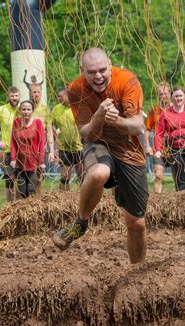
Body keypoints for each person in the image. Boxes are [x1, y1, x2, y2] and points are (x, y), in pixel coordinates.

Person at [53, 48, 147, 264]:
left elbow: (137, 126)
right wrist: (98, 117)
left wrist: (117, 121)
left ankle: (137, 271)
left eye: (103, 70)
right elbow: (85, 133)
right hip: (98, 143)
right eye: (92, 72)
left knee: (136, 223)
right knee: (98, 173)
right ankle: (80, 223)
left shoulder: (127, 81)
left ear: (110, 65)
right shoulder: (76, 89)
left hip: (128, 150)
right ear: (82, 70)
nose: (98, 77)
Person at [155, 86, 185, 191]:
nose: (178, 99)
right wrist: (158, 150)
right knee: (179, 175)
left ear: (184, 96)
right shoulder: (166, 113)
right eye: (176, 96)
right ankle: (180, 198)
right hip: (176, 148)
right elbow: (159, 133)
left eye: (180, 96)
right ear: (172, 98)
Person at [10, 100, 46, 198]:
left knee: (31, 190)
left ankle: (33, 212)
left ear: (32, 110)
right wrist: (13, 159)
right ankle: (23, 212)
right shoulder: (16, 122)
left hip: (34, 162)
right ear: (20, 110)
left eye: (28, 109)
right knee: (22, 191)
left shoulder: (37, 123)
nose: (26, 112)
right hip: (20, 162)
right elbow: (13, 141)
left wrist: (41, 161)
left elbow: (42, 142)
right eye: (24, 109)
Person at [51, 88, 84, 191]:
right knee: (65, 177)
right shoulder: (56, 109)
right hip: (64, 148)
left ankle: (85, 198)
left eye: (61, 96)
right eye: (58, 96)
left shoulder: (78, 107)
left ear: (68, 96)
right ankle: (63, 198)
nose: (58, 98)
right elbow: (51, 124)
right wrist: (55, 137)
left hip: (79, 148)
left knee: (82, 176)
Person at [143, 82, 172, 193]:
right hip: (158, 148)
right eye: (160, 94)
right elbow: (146, 130)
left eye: (165, 93)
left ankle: (178, 199)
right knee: (158, 176)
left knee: (178, 176)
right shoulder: (154, 111)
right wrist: (148, 146)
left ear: (170, 94)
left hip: (173, 147)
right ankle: (157, 199)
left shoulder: (175, 109)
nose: (163, 96)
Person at [29, 83, 54, 193]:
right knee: (25, 178)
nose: (36, 94)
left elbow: (49, 131)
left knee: (39, 177)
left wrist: (52, 151)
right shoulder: (25, 108)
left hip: (40, 149)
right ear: (30, 93)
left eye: (38, 92)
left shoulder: (45, 110)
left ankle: (37, 202)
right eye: (34, 92)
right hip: (26, 149)